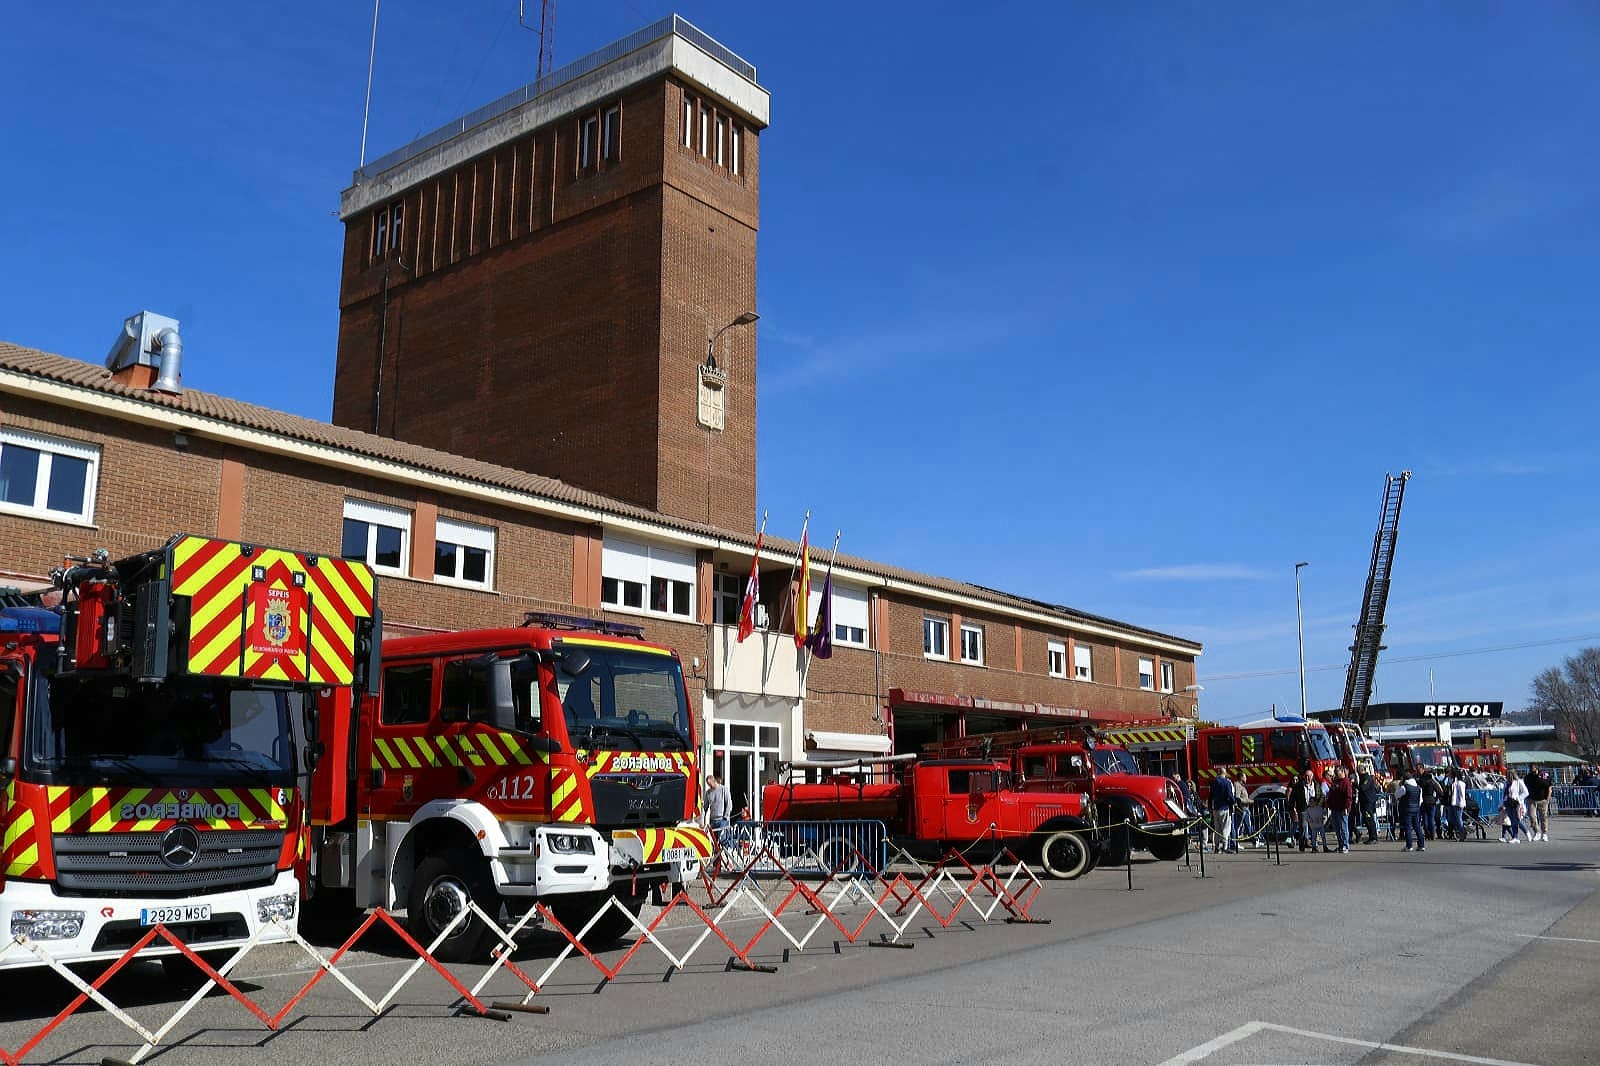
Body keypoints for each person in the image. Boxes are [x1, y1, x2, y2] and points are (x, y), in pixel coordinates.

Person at [1325, 767, 1353, 853]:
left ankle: (1345, 845)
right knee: (1337, 829)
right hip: (1334, 809)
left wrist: (1346, 808)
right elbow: (1331, 793)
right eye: (1335, 772)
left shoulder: (1346, 782)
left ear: (1342, 772)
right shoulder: (1335, 782)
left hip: (1342, 809)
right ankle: (1340, 845)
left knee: (1343, 828)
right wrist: (1328, 803)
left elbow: (1349, 797)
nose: (1336, 774)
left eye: (1337, 772)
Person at [1207, 772, 1236, 853]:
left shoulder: (1213, 783)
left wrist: (1210, 807)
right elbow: (1230, 796)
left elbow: (1210, 797)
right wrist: (1234, 802)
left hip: (1216, 809)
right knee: (1226, 829)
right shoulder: (1227, 782)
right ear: (1225, 774)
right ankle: (1225, 847)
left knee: (1217, 829)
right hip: (1225, 808)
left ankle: (1216, 847)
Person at [1288, 770, 1315, 852]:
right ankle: (1302, 845)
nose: (1307, 778)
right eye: (1306, 776)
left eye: (1309, 776)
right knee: (1303, 827)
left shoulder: (1316, 785)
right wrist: (1292, 808)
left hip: (1314, 809)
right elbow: (1292, 797)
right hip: (1303, 809)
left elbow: (1320, 795)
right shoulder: (1299, 786)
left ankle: (1314, 846)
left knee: (1314, 828)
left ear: (1312, 776)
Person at [1399, 770, 1424, 852]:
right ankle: (1421, 845)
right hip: (1416, 809)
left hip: (1407, 809)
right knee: (1417, 827)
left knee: (1408, 828)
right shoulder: (1418, 787)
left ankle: (1409, 846)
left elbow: (1396, 794)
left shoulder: (1404, 787)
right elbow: (1420, 800)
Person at [704, 773, 733, 844]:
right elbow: (705, 807)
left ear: (714, 781)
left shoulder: (723, 789)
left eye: (710, 784)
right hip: (713, 820)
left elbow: (729, 804)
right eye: (708, 784)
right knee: (714, 841)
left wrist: (726, 817)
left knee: (722, 840)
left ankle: (723, 853)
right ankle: (716, 854)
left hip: (722, 820)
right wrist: (703, 820)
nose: (709, 786)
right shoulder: (708, 792)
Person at [1501, 771, 1529, 844]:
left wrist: (1518, 798)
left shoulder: (1518, 782)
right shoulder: (1506, 783)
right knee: (1512, 821)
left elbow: (1526, 792)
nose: (1508, 777)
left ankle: (1525, 833)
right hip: (1508, 803)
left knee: (1517, 820)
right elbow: (1504, 794)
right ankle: (1515, 837)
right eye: (1507, 776)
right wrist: (1502, 804)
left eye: (1510, 776)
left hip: (1516, 803)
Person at [1525, 767, 1551, 842]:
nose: (1531, 771)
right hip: (1531, 799)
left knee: (1543, 817)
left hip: (1542, 799)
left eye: (1533, 769)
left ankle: (1544, 833)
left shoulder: (1544, 775)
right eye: (1530, 769)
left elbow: (1549, 788)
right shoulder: (1528, 777)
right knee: (1532, 816)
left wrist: (1547, 799)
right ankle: (1537, 832)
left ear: (1536, 768)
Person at [1357, 770, 1381, 845]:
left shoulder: (1367, 778)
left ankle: (1373, 837)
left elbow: (1363, 787)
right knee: (1367, 821)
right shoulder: (1363, 778)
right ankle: (1371, 837)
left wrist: (1355, 785)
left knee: (1370, 820)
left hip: (1368, 803)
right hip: (1365, 802)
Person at [1447, 769, 1468, 842]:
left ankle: (1462, 833)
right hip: (1451, 803)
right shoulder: (1451, 781)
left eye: (1450, 772)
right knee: (1451, 819)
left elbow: (1462, 795)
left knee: (1458, 819)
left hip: (1458, 803)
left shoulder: (1460, 783)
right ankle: (1459, 832)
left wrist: (1461, 803)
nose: (1449, 773)